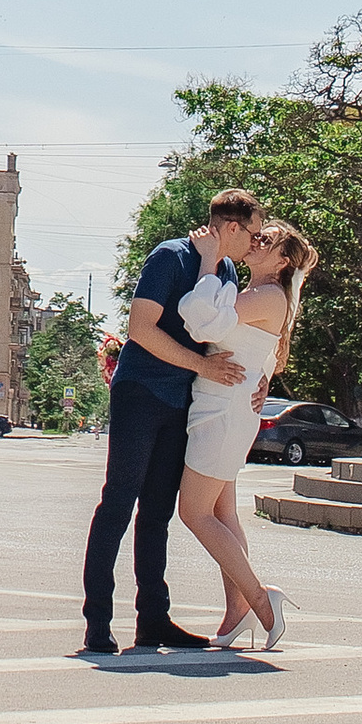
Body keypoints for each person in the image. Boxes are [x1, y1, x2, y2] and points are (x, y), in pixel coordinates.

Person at [81, 190, 262, 655]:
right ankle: (97, 623)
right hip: (141, 393)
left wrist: (260, 381)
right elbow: (141, 328)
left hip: (182, 402)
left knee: (158, 512)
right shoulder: (171, 255)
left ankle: (153, 621)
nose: (256, 244)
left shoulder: (222, 270)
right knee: (119, 502)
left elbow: (226, 337)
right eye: (254, 234)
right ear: (233, 227)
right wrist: (201, 367)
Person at [176, 221, 316, 650]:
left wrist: (206, 258)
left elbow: (205, 324)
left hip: (224, 410)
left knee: (194, 513)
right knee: (223, 513)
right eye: (259, 234)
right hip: (224, 402)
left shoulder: (267, 295)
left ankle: (261, 600)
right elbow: (264, 354)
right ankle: (237, 612)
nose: (258, 240)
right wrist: (263, 378)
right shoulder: (261, 294)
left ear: (282, 261)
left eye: (268, 240)